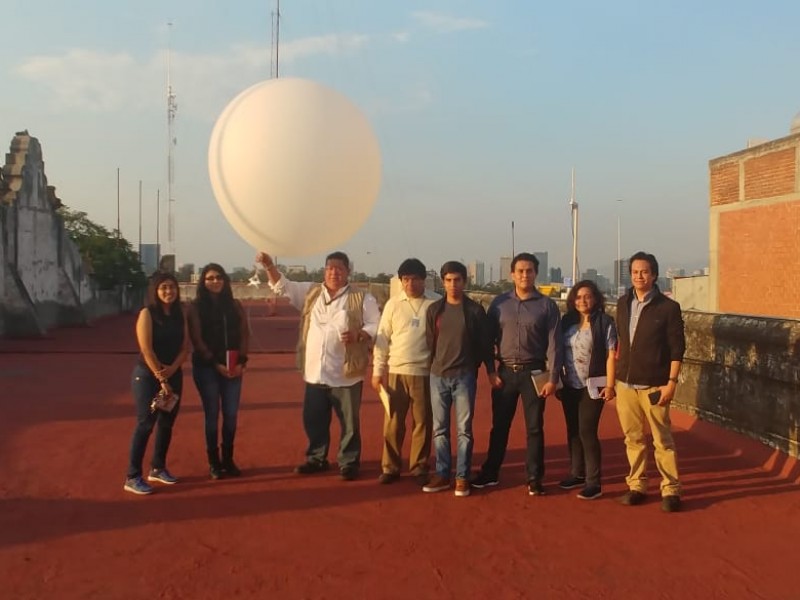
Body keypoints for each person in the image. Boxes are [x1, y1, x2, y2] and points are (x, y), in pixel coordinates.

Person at [256, 250, 379, 481]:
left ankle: (349, 461)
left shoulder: (363, 298)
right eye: (330, 268)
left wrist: (360, 333)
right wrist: (269, 265)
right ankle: (316, 458)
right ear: (325, 271)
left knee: (349, 422)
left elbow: (376, 324)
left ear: (348, 272)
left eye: (339, 268)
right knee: (313, 419)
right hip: (314, 372)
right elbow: (283, 286)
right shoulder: (311, 292)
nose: (334, 273)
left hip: (345, 373)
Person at [470, 252, 563, 496]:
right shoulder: (499, 305)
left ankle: (534, 477)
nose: (525, 275)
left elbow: (555, 344)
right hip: (506, 373)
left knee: (534, 428)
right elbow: (487, 340)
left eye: (529, 271)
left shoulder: (547, 306)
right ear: (512, 274)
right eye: (520, 271)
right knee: (499, 426)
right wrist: (490, 371)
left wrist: (553, 378)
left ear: (536, 273)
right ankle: (490, 472)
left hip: (535, 372)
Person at [615, 251, 686, 513]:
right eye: (634, 272)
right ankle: (637, 485)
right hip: (626, 384)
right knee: (632, 438)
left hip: (655, 384)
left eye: (644, 271)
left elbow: (677, 348)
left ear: (654, 274)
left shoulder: (668, 308)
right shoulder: (623, 304)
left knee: (662, 439)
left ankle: (670, 489)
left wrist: (671, 382)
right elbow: (621, 343)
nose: (639, 276)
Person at [422, 261, 493, 497]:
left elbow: (485, 345)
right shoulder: (434, 310)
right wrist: (434, 367)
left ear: (465, 281)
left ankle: (462, 476)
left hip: (464, 377)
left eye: (458, 280)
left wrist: (490, 371)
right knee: (439, 429)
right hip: (438, 376)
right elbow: (430, 343)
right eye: (449, 280)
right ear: (443, 282)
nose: (453, 285)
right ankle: (443, 474)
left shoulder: (474, 311)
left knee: (464, 430)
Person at [372, 258, 440, 486]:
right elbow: (382, 337)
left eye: (415, 279)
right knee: (393, 421)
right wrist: (377, 371)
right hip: (396, 370)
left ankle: (419, 465)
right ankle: (390, 466)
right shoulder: (393, 304)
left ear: (424, 280)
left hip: (424, 371)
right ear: (400, 281)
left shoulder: (436, 303)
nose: (410, 284)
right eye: (406, 279)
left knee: (423, 422)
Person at [124, 272, 189, 495]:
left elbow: (185, 348)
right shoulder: (147, 314)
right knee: (145, 424)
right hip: (148, 376)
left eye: (172, 287)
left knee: (167, 423)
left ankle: (158, 467)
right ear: (155, 291)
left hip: (174, 374)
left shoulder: (181, 314)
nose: (168, 291)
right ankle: (133, 476)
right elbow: (147, 349)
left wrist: (173, 370)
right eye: (163, 288)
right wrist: (162, 378)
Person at [557, 280, 617, 500]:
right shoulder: (567, 323)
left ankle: (594, 482)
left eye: (587, 296)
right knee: (572, 430)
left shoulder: (604, 323)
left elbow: (612, 355)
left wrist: (610, 385)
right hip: (569, 384)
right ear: (573, 300)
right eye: (578, 297)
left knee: (587, 431)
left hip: (593, 386)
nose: (583, 301)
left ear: (596, 299)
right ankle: (577, 472)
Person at [188, 263, 249, 479]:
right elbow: (197, 339)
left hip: (234, 366)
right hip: (207, 368)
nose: (215, 282)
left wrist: (242, 361)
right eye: (210, 278)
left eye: (219, 277)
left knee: (231, 415)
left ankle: (228, 459)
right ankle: (214, 462)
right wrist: (216, 364)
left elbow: (244, 333)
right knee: (212, 415)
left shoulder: (234, 305)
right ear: (203, 282)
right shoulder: (196, 307)